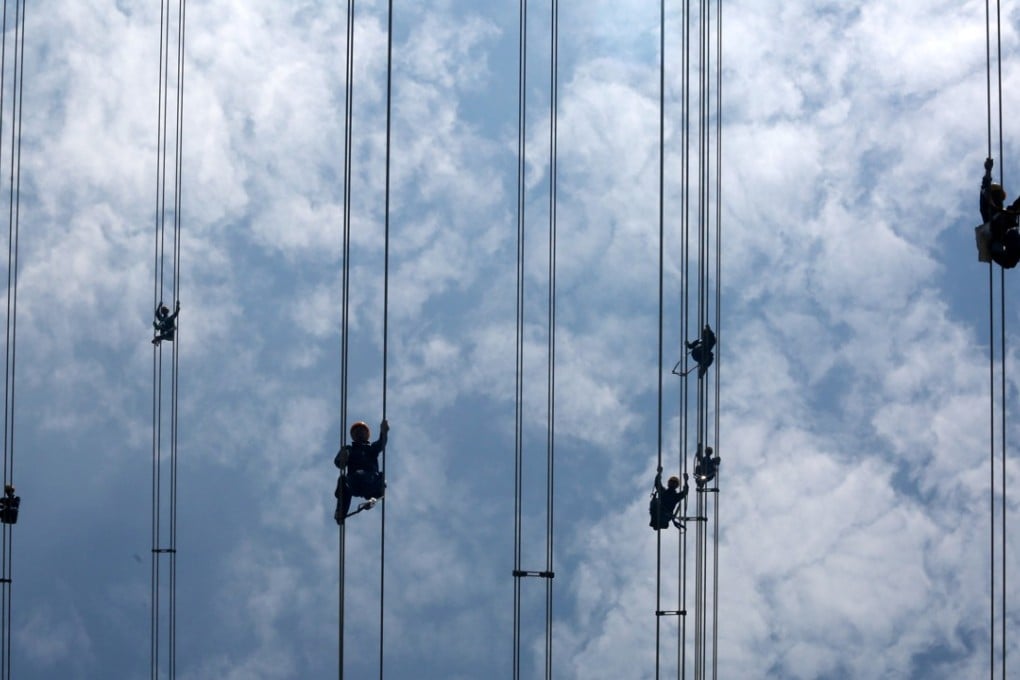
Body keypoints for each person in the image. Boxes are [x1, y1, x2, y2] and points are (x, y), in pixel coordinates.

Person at [334, 419, 389, 524]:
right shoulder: (349, 449)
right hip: (355, 481)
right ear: (353, 436)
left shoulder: (371, 448)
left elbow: (381, 444)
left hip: (370, 481)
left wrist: (384, 432)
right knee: (342, 480)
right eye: (356, 431)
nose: (359, 433)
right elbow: (338, 463)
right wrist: (342, 458)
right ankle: (341, 511)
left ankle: (374, 498)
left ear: (366, 434)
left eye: (361, 431)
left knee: (381, 477)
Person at [978, 157, 1020, 268]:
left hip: (1007, 239)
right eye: (997, 196)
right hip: (995, 241)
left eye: (1000, 198)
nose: (1000, 200)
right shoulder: (988, 211)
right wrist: (988, 170)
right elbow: (985, 188)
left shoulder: (1007, 212)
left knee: (1013, 234)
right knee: (1009, 261)